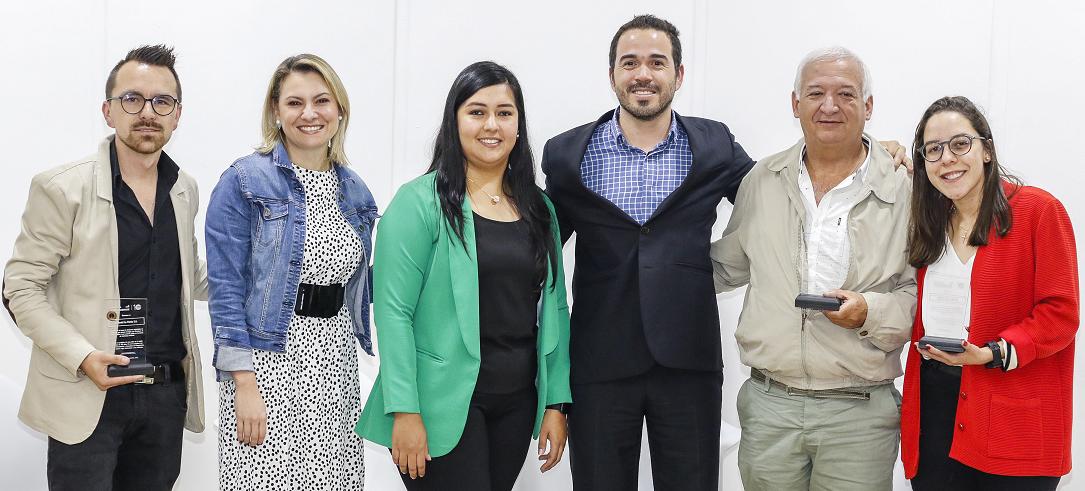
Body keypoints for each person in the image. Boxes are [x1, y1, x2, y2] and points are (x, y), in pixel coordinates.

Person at [540, 14, 754, 491]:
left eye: (657, 62)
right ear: (612, 74)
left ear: (678, 75)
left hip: (689, 363)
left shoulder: (714, 144)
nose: (643, 74)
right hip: (598, 363)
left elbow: (779, 199)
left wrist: (861, 153)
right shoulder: (566, 155)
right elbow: (536, 247)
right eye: (629, 62)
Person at [355, 61, 572, 491]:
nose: (491, 124)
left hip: (516, 400)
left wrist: (556, 402)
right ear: (455, 121)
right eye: (477, 111)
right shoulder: (419, 203)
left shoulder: (539, 208)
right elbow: (394, 312)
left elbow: (556, 307)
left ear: (518, 124)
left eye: (505, 113)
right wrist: (404, 410)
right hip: (439, 403)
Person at [710, 47, 916, 491]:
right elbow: (725, 268)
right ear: (794, 103)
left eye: (845, 94)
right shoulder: (762, 180)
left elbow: (921, 295)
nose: (829, 105)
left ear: (868, 107)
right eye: (816, 92)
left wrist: (870, 312)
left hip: (858, 414)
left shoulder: (905, 190)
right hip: (770, 408)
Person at [2, 45, 206, 490]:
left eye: (162, 102)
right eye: (132, 99)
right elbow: (20, 288)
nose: (147, 112)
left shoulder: (184, 189)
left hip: (164, 393)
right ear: (108, 111)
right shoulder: (62, 188)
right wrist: (84, 358)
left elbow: (190, 271)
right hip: (89, 390)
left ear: (177, 115)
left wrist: (269, 276)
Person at [205, 54, 378, 490]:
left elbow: (359, 283)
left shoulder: (355, 189)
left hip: (334, 367)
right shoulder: (244, 180)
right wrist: (242, 382)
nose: (309, 114)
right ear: (276, 112)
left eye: (322, 101)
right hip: (267, 368)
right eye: (294, 103)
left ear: (339, 110)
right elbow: (227, 286)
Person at [900, 96, 1078, 490]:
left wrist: (993, 352)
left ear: (986, 150)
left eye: (960, 144)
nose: (948, 158)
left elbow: (1061, 313)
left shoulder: (1038, 210)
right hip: (934, 414)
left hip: (1013, 419)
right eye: (934, 150)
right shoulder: (929, 221)